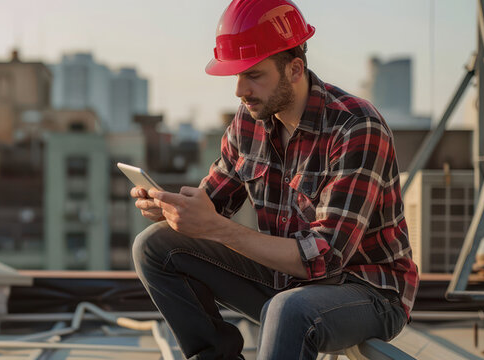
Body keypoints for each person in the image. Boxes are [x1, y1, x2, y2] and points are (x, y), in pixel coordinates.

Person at [130, 0, 419, 358]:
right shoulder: (249, 120)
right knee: (154, 246)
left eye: (253, 75)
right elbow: (213, 201)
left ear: (295, 69)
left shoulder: (356, 127)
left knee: (288, 310)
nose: (239, 90)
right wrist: (177, 212)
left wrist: (216, 228)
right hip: (286, 280)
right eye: (236, 76)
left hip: (367, 290)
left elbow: (325, 258)